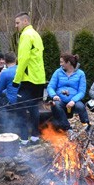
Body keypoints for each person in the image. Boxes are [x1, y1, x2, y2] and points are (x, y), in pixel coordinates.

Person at [12, 12, 46, 145]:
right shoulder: (36, 35)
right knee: (33, 108)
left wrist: (16, 80)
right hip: (39, 79)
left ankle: (24, 139)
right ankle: (35, 137)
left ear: (25, 21)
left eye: (17, 23)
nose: (16, 26)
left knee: (20, 109)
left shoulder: (26, 35)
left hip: (29, 79)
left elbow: (23, 59)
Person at [47, 53, 89, 131]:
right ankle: (67, 128)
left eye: (62, 62)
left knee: (80, 106)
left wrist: (73, 100)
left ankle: (86, 125)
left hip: (74, 100)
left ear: (68, 62)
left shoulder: (80, 74)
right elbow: (50, 87)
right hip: (60, 100)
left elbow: (82, 92)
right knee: (55, 105)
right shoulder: (57, 72)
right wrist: (54, 95)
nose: (60, 64)